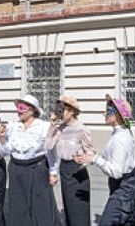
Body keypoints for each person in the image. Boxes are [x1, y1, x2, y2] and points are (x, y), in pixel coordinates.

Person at [75, 95, 135, 226]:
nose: (105, 113)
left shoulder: (119, 139)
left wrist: (95, 159)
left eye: (109, 111)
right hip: (131, 183)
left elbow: (116, 172)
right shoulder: (125, 130)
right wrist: (91, 159)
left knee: (107, 222)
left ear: (118, 116)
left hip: (125, 187)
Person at [0, 94, 62, 226]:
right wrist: (2, 138)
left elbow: (52, 151)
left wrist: (53, 172)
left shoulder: (44, 126)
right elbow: (4, 152)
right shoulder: (13, 126)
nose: (18, 111)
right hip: (16, 169)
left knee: (40, 204)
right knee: (18, 205)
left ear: (32, 110)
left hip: (37, 169)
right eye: (17, 107)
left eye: (22, 107)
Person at [45, 95, 94, 226]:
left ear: (72, 111)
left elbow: (90, 153)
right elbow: (48, 146)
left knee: (79, 209)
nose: (60, 113)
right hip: (65, 169)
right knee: (68, 208)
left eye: (63, 109)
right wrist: (52, 125)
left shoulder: (82, 129)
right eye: (58, 109)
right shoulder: (60, 129)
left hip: (78, 171)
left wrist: (83, 161)